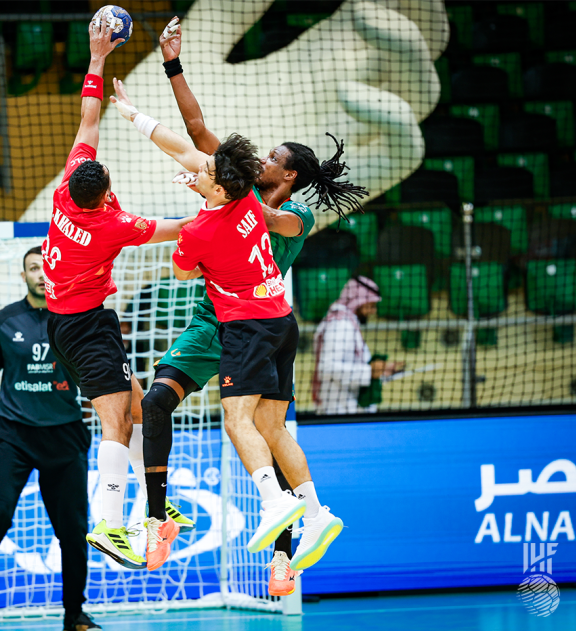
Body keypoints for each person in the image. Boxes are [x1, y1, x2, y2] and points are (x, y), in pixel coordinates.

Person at [111, 63, 365, 578]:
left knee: (248, 424)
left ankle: (283, 546)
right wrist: (171, 71)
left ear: (288, 175)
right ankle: (158, 518)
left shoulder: (290, 215)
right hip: (226, 320)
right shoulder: (236, 194)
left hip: (249, 322)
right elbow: (195, 132)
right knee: (167, 403)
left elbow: (251, 218)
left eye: (274, 157)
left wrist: (213, 195)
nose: (265, 158)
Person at [42, 18, 195, 572]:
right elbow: (176, 229)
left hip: (74, 320)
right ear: (104, 189)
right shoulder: (114, 224)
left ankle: (153, 509)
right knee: (117, 421)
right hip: (85, 325)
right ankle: (108, 523)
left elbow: (88, 116)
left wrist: (96, 56)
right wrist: (221, 207)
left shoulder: (68, 187)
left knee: (134, 405)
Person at [0, 247, 101, 631]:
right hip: (13, 436)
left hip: (66, 437)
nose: (42, 274)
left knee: (73, 530)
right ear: (24, 275)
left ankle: (74, 613)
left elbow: (97, 375)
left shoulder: (76, 318)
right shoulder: (2, 322)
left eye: (47, 266)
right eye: (34, 267)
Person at [312, 276, 404, 415]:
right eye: (371, 306)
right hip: (339, 412)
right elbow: (327, 368)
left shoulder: (348, 322)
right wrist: (369, 371)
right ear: (358, 301)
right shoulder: (340, 325)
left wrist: (382, 370)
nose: (373, 311)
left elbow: (352, 364)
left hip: (347, 410)